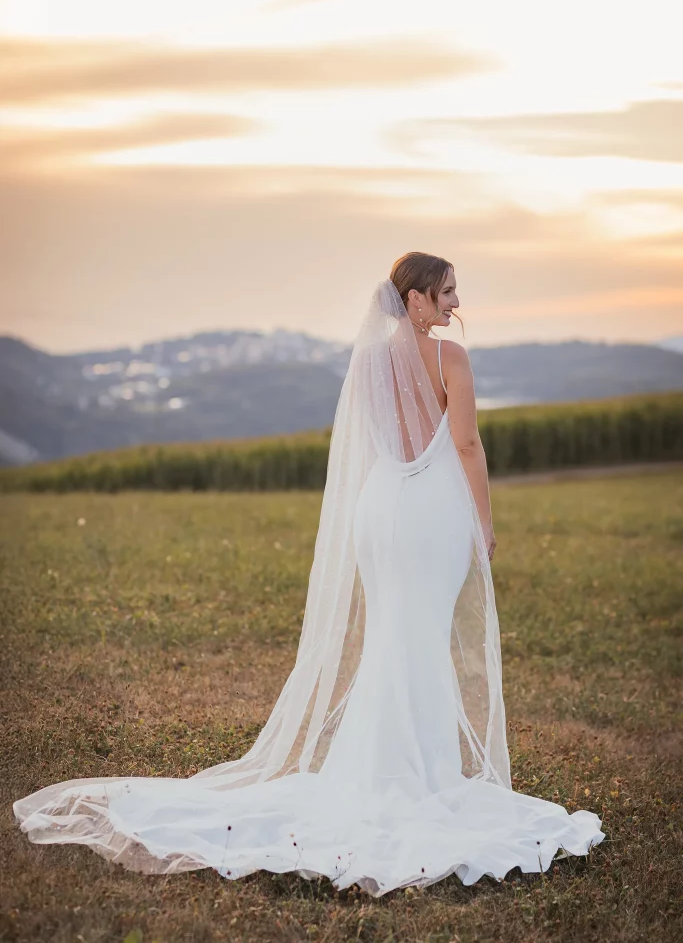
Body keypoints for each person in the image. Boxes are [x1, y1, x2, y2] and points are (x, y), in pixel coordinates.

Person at [13, 252, 604, 897]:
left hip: (379, 511)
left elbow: (367, 444)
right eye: (446, 294)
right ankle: (418, 775)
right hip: (432, 511)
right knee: (420, 637)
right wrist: (483, 520)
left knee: (391, 637)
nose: (456, 305)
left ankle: (383, 768)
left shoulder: (370, 363)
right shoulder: (450, 362)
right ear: (415, 302)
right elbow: (465, 445)